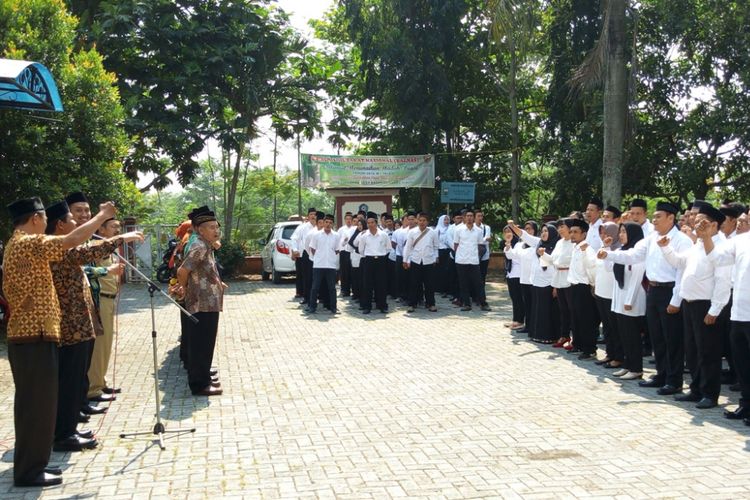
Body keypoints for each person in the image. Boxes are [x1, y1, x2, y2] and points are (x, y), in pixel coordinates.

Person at [3, 197, 115, 487]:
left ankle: (34, 465)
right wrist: (102, 216)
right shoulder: (27, 242)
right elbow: (73, 239)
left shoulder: (24, 243)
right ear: (37, 219)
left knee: (41, 404)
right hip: (32, 337)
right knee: (35, 406)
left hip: (38, 335)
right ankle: (29, 472)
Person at [47, 201, 144, 453]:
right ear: (59, 225)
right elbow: (87, 251)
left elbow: (86, 248)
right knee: (69, 379)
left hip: (79, 324)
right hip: (71, 326)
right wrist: (120, 235)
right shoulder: (58, 247)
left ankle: (68, 429)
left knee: (75, 377)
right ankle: (63, 434)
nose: (76, 222)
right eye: (71, 218)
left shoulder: (63, 245)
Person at [600, 201, 693, 396]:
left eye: (659, 216)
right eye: (655, 216)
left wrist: (676, 300)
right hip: (653, 290)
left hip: (670, 291)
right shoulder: (651, 239)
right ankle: (661, 374)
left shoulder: (682, 240)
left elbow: (682, 271)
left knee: (672, 338)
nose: (655, 220)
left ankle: (674, 380)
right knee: (657, 336)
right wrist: (609, 255)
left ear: (671, 218)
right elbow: (632, 255)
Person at [658, 204, 732, 409]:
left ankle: (710, 393)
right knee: (692, 350)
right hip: (690, 304)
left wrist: (715, 309)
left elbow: (723, 281)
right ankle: (696, 389)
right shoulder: (697, 244)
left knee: (708, 352)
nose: (694, 222)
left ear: (714, 224)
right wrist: (666, 247)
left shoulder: (721, 246)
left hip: (706, 306)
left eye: (701, 220)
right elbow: (679, 263)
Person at [703, 217, 750, 422]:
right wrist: (705, 237)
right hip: (739, 313)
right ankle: (746, 405)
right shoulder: (741, 240)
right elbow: (716, 257)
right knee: (742, 365)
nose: (743, 221)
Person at [176, 207, 226, 396]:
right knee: (200, 343)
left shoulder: (205, 244)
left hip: (209, 301)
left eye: (216, 227)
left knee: (205, 343)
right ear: (200, 230)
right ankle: (199, 384)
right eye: (211, 227)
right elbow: (183, 271)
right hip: (201, 303)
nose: (216, 231)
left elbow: (205, 271)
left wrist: (218, 283)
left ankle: (203, 376)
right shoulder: (199, 246)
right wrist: (183, 289)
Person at [86, 217, 126, 404]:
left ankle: (100, 381)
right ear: (101, 229)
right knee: (100, 345)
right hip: (100, 299)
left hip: (109, 300)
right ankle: (93, 388)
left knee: (107, 343)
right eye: (113, 227)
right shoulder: (96, 245)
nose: (117, 230)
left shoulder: (108, 247)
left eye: (119, 227)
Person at [606, 222, 647, 380]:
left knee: (633, 336)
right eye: (620, 232)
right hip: (620, 299)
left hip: (633, 301)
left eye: (624, 232)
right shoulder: (620, 251)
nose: (621, 235)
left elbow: (637, 278)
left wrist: (629, 301)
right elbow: (609, 267)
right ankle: (628, 365)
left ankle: (636, 368)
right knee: (624, 335)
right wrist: (608, 250)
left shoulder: (637, 254)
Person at [592, 222, 624, 367]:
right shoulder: (602, 247)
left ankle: (618, 356)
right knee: (607, 327)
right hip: (601, 291)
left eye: (606, 233)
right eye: (601, 233)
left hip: (612, 293)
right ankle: (609, 354)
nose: (603, 236)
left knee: (615, 327)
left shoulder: (618, 250)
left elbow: (609, 268)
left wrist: (607, 248)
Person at [566, 218, 598, 359]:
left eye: (576, 232)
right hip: (573, 286)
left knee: (586, 320)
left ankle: (589, 349)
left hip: (583, 288)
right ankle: (577, 344)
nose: (572, 235)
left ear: (584, 234)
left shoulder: (587, 249)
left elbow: (591, 267)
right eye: (571, 232)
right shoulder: (575, 248)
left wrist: (592, 285)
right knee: (575, 318)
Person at [453, 209, 490, 312]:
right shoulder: (458, 230)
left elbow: (480, 245)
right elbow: (456, 245)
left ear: (473, 218)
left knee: (478, 283)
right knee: (463, 283)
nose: (469, 218)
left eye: (471, 216)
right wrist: (460, 254)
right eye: (467, 216)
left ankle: (483, 303)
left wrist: (476, 255)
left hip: (474, 260)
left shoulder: (478, 231)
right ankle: (466, 304)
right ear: (464, 218)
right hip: (461, 260)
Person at [529, 224, 561, 343]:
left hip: (549, 283)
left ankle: (549, 336)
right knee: (537, 310)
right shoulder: (539, 246)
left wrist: (555, 287)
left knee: (548, 312)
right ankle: (536, 334)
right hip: (537, 282)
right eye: (542, 231)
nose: (543, 233)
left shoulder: (556, 247)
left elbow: (555, 265)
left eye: (546, 231)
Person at [403, 212, 440, 313]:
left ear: (427, 222)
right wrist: (405, 260)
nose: (422, 222)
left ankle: (431, 303)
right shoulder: (412, 232)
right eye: (420, 220)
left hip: (429, 261)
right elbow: (408, 247)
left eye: (424, 220)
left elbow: (436, 247)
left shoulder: (432, 232)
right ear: (417, 221)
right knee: (414, 283)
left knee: (429, 284)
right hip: (415, 260)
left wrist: (435, 258)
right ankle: (412, 304)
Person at [506, 221, 539, 331]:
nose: (528, 231)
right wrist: (508, 244)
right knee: (526, 303)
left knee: (534, 304)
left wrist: (512, 226)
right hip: (523, 278)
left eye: (530, 229)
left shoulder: (537, 243)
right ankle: (527, 325)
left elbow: (523, 235)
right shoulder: (520, 244)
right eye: (526, 228)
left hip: (534, 279)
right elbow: (511, 255)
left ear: (535, 230)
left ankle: (534, 326)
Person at [356, 212, 391, 314]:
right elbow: (361, 250)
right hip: (368, 261)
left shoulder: (383, 235)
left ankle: (382, 306)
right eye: (368, 223)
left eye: (372, 222)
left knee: (381, 284)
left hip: (381, 261)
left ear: (376, 223)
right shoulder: (364, 236)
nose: (370, 224)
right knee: (367, 285)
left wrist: (381, 256)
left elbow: (388, 248)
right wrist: (369, 256)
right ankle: (367, 306)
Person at [306, 214, 340, 314]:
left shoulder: (336, 235)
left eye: (330, 223)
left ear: (333, 224)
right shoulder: (316, 235)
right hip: (318, 265)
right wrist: (319, 257)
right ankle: (312, 307)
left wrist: (330, 256)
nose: (328, 224)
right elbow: (312, 248)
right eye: (326, 222)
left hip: (330, 265)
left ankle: (333, 308)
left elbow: (337, 250)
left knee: (332, 288)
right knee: (315, 287)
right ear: (323, 223)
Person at [549, 219, 574, 348]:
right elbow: (553, 260)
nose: (559, 230)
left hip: (569, 278)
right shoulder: (559, 242)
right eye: (558, 227)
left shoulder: (574, 243)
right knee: (563, 309)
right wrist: (543, 255)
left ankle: (574, 337)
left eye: (562, 227)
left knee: (572, 309)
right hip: (559, 276)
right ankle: (564, 335)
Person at [290, 208, 317, 303]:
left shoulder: (320, 227)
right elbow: (294, 238)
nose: (313, 216)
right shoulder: (302, 227)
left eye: (315, 214)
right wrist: (295, 250)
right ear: (308, 216)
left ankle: (319, 297)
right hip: (304, 255)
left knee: (317, 277)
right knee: (306, 277)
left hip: (318, 257)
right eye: (311, 214)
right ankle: (306, 297)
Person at [502, 225, 524, 330]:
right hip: (510, 274)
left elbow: (515, 257)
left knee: (518, 299)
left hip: (518, 274)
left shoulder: (520, 245)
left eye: (509, 231)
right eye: (505, 232)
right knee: (514, 299)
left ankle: (520, 320)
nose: (507, 234)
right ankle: (515, 320)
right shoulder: (508, 244)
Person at [338, 212, 355, 297]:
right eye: (347, 219)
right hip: (343, 252)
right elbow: (338, 241)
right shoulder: (341, 229)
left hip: (351, 252)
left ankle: (353, 289)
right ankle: (344, 290)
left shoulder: (354, 228)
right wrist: (344, 241)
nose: (348, 221)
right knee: (344, 271)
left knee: (351, 270)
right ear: (345, 220)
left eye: (350, 219)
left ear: (352, 220)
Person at [475, 208, 492, 286]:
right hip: (474, 255)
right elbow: (484, 240)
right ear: (475, 217)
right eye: (478, 216)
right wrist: (483, 240)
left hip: (485, 255)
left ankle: (481, 295)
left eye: (481, 216)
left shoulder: (486, 227)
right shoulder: (472, 228)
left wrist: (481, 240)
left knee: (483, 274)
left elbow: (485, 239)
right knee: (474, 275)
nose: (480, 218)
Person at [435, 214, 451, 293]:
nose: (447, 221)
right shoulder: (437, 230)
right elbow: (435, 243)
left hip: (449, 251)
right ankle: (439, 288)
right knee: (440, 271)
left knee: (448, 270)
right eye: (445, 220)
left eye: (448, 220)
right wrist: (436, 256)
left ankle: (447, 289)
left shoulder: (451, 228)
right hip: (440, 252)